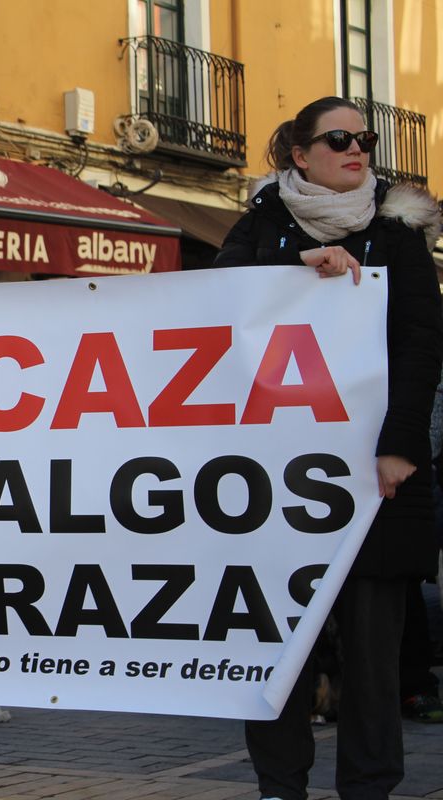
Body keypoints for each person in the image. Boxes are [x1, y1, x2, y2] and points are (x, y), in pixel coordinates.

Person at [214, 96, 443, 800]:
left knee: (374, 654)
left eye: (364, 138)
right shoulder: (258, 230)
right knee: (278, 645)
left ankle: (369, 786)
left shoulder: (399, 235)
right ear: (300, 154)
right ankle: (280, 785)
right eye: (339, 137)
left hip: (376, 476)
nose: (358, 149)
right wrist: (292, 271)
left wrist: (401, 445)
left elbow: (420, 344)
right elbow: (212, 312)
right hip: (273, 481)